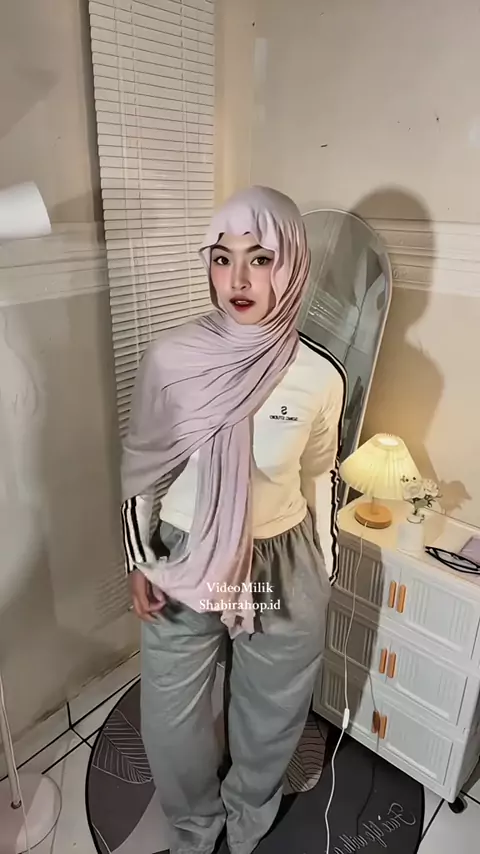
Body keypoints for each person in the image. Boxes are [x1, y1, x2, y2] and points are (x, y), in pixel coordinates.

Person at [120, 186, 346, 854]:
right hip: (187, 557)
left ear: (292, 264)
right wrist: (139, 558)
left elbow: (321, 474)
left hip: (280, 559)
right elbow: (143, 466)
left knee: (271, 707)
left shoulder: (320, 376)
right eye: (222, 259)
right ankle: (194, 826)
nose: (239, 279)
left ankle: (249, 815)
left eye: (261, 258)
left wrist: (324, 568)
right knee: (172, 716)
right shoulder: (171, 359)